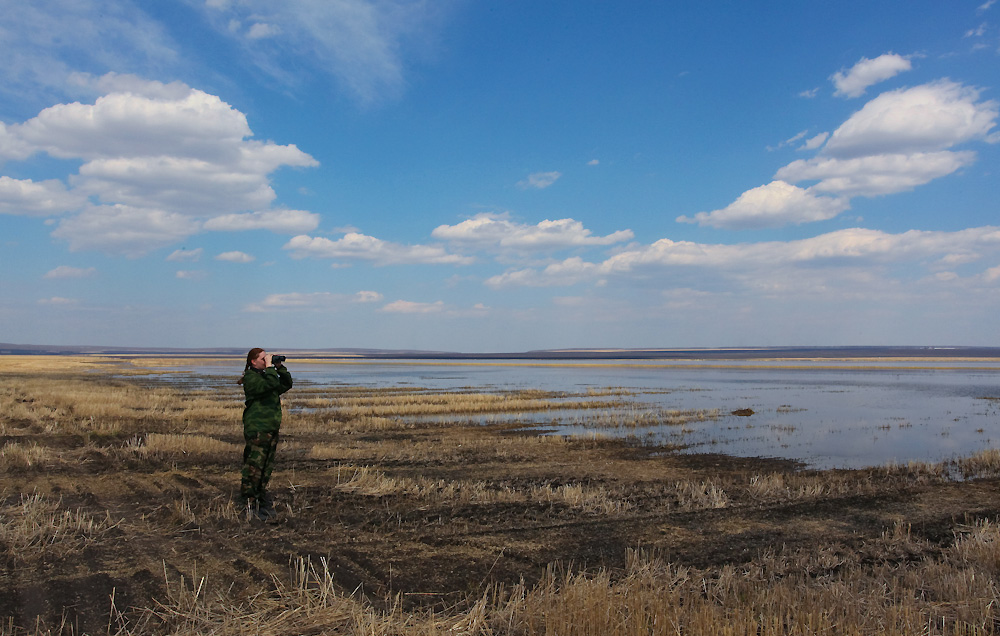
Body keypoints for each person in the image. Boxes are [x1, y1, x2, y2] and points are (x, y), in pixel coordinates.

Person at [237, 347, 293, 520]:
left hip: (270, 428)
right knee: (254, 467)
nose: (265, 361)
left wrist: (278, 367)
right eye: (263, 359)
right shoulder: (251, 378)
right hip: (257, 428)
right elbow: (269, 384)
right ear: (253, 361)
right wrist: (270, 368)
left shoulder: (266, 376)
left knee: (265, 467)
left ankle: (260, 498)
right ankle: (248, 502)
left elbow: (285, 384)